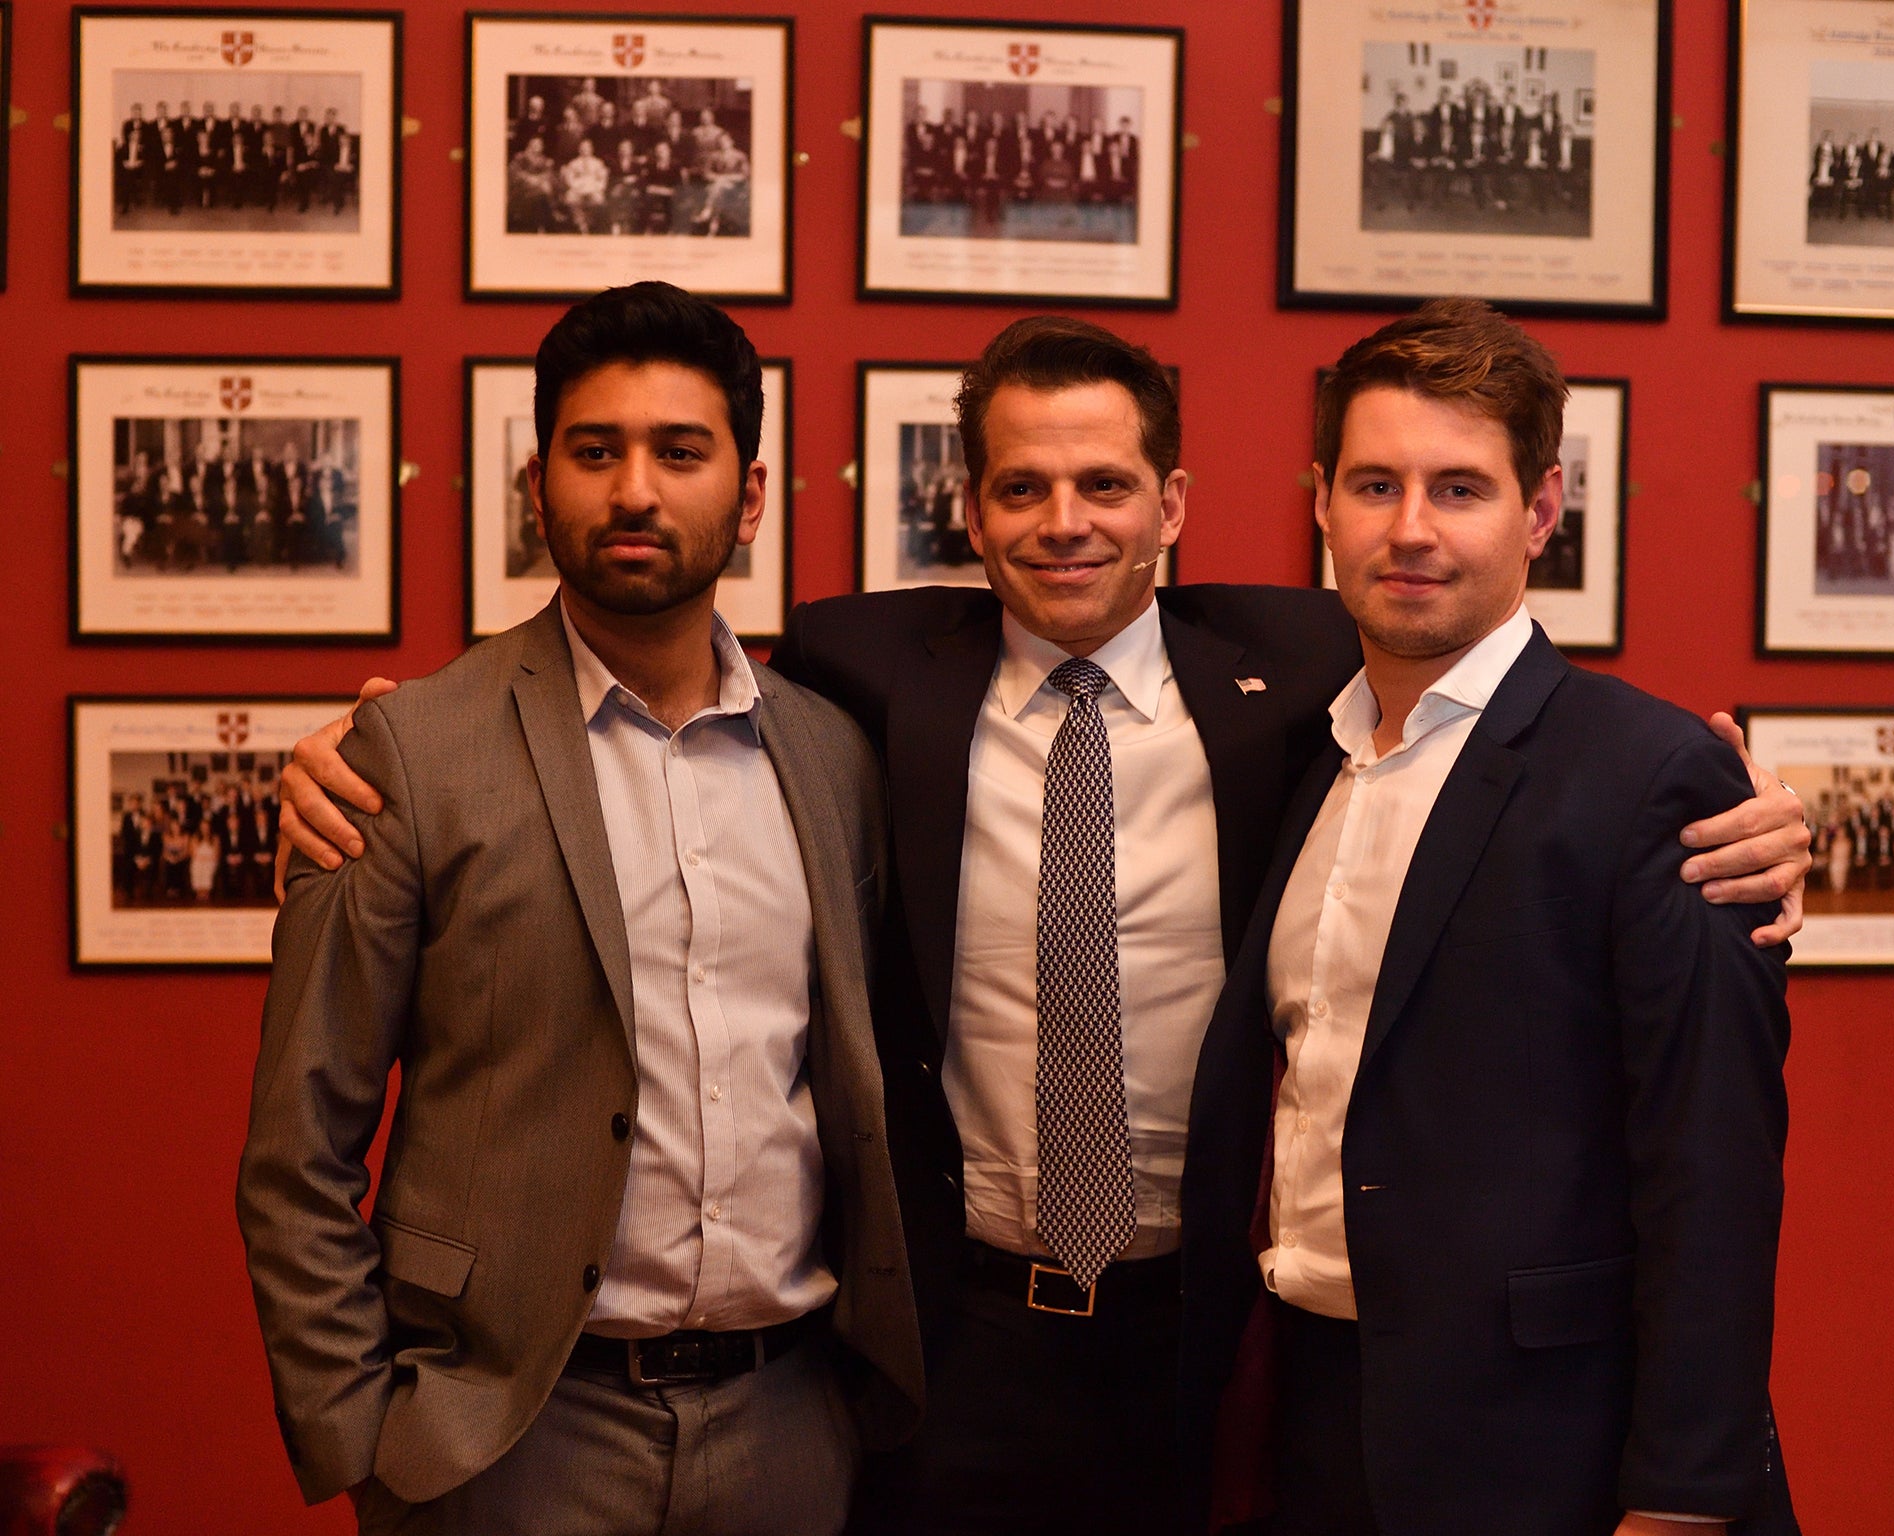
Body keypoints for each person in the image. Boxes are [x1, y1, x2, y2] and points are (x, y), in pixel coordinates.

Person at [277, 311, 1808, 1536]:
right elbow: (609, 651)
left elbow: (1515, 725)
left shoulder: (1290, 681)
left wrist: (1736, 804)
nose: (1065, 523)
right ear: (968, 506)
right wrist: (371, 746)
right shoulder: (864, 681)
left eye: (1106, 486)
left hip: (1213, 1341)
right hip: (957, 1342)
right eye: (1020, 486)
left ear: (1179, 506)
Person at [237, 283, 922, 1536]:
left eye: (680, 451)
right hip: (509, 1438)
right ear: (537, 483)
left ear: (751, 496)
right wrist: (368, 1442)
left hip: (791, 1428)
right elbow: (297, 1150)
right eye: (593, 451)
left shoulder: (834, 761)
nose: (635, 491)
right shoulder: (409, 754)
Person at [1180, 299, 1798, 1536]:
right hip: (1308, 1412)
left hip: (1543, 1447)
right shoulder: (1299, 753)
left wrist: (1681, 1498)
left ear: (1541, 511)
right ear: (1319, 502)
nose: (1408, 530)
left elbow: (1712, 1168)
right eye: (1373, 485)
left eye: (1458, 489)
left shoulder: (1648, 775)